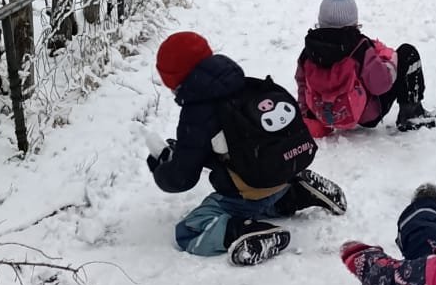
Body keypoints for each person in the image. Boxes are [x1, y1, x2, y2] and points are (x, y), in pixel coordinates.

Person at [146, 30, 346, 265]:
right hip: (280, 171)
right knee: (262, 196)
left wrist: (161, 169)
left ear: (176, 80)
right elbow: (226, 142)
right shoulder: (244, 85)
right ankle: (295, 192)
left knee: (189, 230)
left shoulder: (197, 112)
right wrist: (182, 149)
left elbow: (182, 179)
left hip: (252, 189)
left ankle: (244, 233)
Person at [296, 0, 436, 133]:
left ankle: (322, 115)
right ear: (353, 23)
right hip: (364, 115)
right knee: (407, 53)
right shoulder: (359, 48)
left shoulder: (309, 51)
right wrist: (390, 60)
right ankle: (412, 115)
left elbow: (302, 83)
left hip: (323, 114)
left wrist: (307, 115)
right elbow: (381, 85)